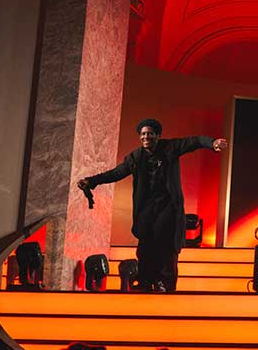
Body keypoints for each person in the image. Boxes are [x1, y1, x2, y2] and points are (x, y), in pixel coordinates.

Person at [77, 118, 225, 291]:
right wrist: (91, 181)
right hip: (146, 212)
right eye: (143, 134)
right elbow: (116, 173)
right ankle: (146, 285)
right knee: (145, 251)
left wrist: (212, 143)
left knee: (167, 251)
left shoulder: (170, 148)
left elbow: (194, 141)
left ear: (157, 135)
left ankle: (166, 286)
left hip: (168, 209)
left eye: (150, 134)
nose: (146, 137)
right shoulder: (135, 157)